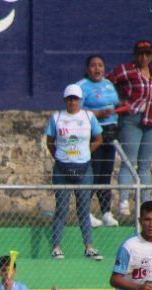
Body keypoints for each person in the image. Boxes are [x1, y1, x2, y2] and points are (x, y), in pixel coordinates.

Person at [109, 39, 152, 216]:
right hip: (132, 118)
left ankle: (146, 201)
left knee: (145, 164)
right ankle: (124, 201)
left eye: (147, 54)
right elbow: (107, 82)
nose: (144, 57)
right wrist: (119, 101)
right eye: (141, 53)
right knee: (129, 160)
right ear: (135, 55)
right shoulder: (126, 70)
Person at [45, 84, 103, 261]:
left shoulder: (88, 116)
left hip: (84, 168)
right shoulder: (57, 117)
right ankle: (56, 247)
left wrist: (85, 153)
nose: (72, 101)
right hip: (62, 169)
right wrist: (60, 157)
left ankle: (89, 246)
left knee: (84, 209)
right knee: (61, 208)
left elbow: (99, 138)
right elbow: (49, 141)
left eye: (75, 98)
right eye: (69, 98)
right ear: (65, 100)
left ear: (80, 100)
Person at [76, 54, 121, 228]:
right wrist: (97, 114)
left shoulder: (109, 84)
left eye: (100, 65)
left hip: (110, 134)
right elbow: (75, 111)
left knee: (105, 174)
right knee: (91, 173)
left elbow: (115, 106)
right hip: (92, 135)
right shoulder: (81, 86)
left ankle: (106, 213)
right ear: (88, 69)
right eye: (93, 65)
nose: (97, 69)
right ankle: (85, 212)